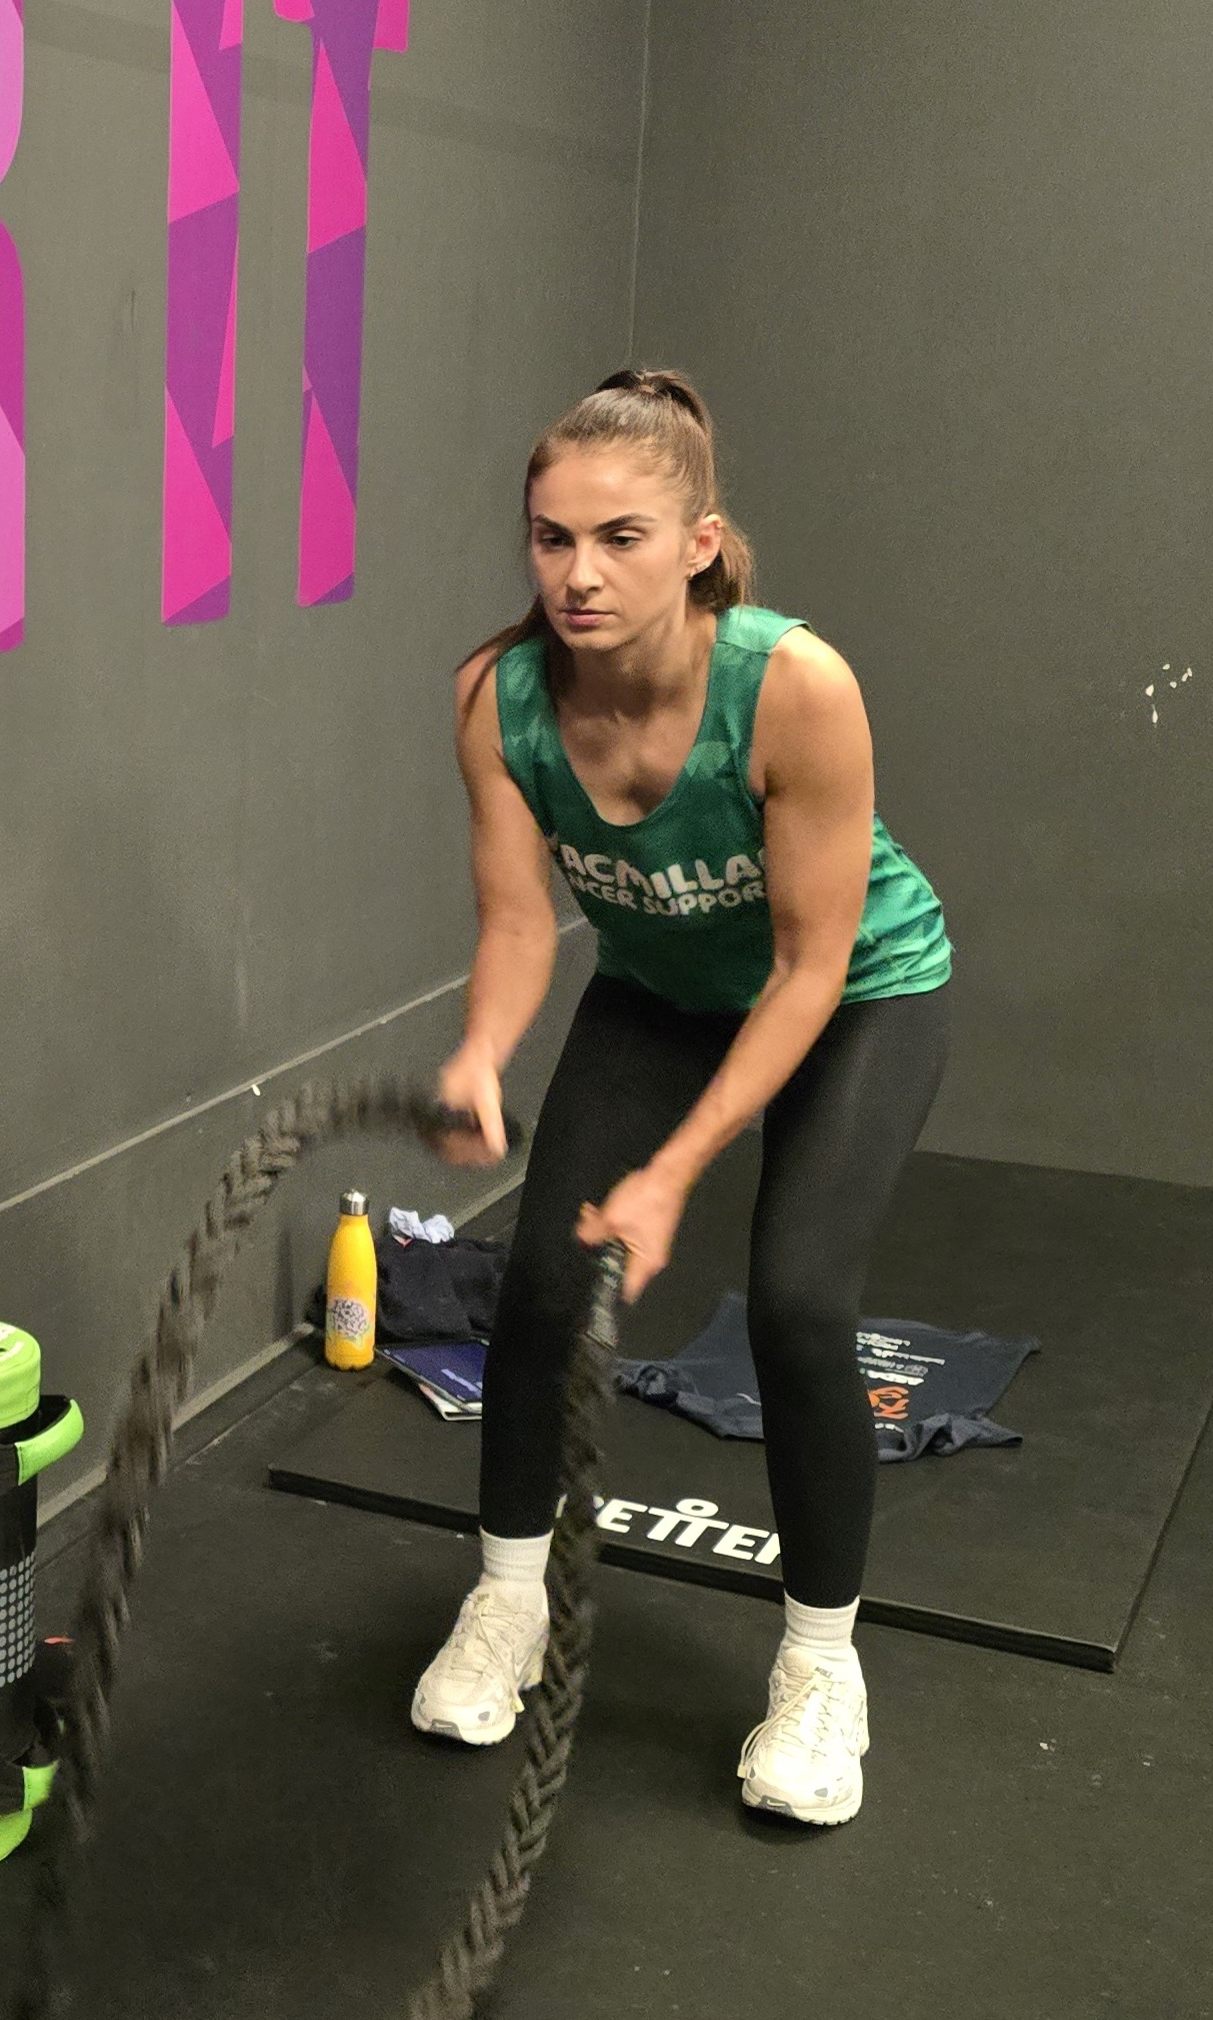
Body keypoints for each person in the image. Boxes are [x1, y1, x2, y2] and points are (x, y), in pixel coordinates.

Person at [422, 369, 954, 1827]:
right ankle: (508, 1598)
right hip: (661, 983)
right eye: (549, 538)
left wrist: (677, 1170)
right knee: (539, 1281)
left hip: (856, 994)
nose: (578, 573)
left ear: (701, 542)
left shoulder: (794, 686)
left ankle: (821, 1665)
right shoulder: (498, 696)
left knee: (794, 1298)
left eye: (621, 536)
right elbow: (525, 923)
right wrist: (482, 1051)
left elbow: (805, 967)